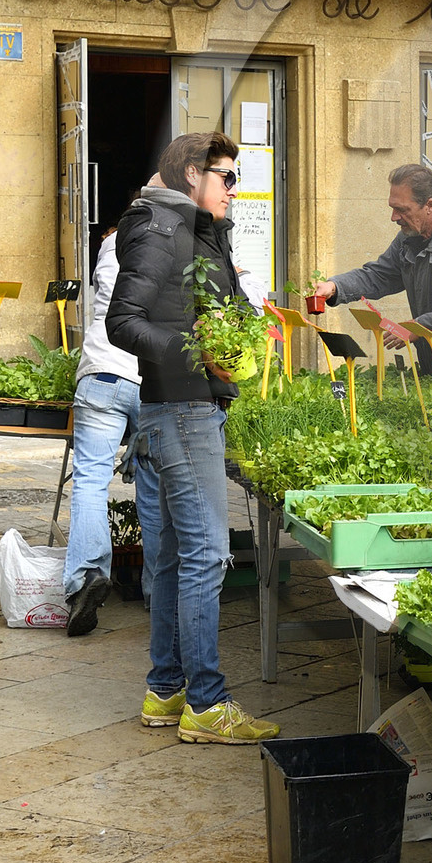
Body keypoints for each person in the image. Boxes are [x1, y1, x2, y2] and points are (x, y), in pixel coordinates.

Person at [106, 130, 278, 746]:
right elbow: (123, 321)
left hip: (182, 408)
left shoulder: (187, 228)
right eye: (226, 177)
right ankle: (206, 702)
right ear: (190, 176)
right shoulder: (160, 230)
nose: (235, 189)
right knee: (206, 556)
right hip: (182, 410)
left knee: (178, 559)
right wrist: (196, 353)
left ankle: (166, 689)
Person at [62, 217, 161, 638]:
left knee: (89, 481)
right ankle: (160, 591)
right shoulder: (170, 244)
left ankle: (86, 578)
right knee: (156, 487)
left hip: (101, 375)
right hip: (149, 381)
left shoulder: (109, 247)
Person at [309, 163, 432, 385]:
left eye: (402, 209)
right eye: (392, 208)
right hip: (430, 359)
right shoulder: (408, 238)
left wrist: (420, 327)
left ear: (430, 205)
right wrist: (335, 287)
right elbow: (378, 275)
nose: (394, 217)